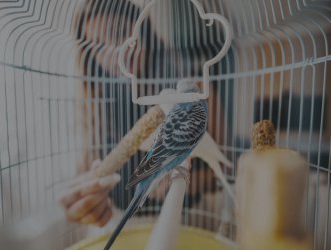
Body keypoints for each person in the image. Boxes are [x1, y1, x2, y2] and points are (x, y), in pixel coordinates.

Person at [60, 0, 230, 227]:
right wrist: (86, 200)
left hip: (188, 221)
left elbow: (228, 166)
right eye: (99, 48)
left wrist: (183, 180)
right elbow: (87, 174)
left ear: (143, 28)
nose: (116, 52)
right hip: (122, 225)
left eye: (120, 32)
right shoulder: (94, 103)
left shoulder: (195, 91)